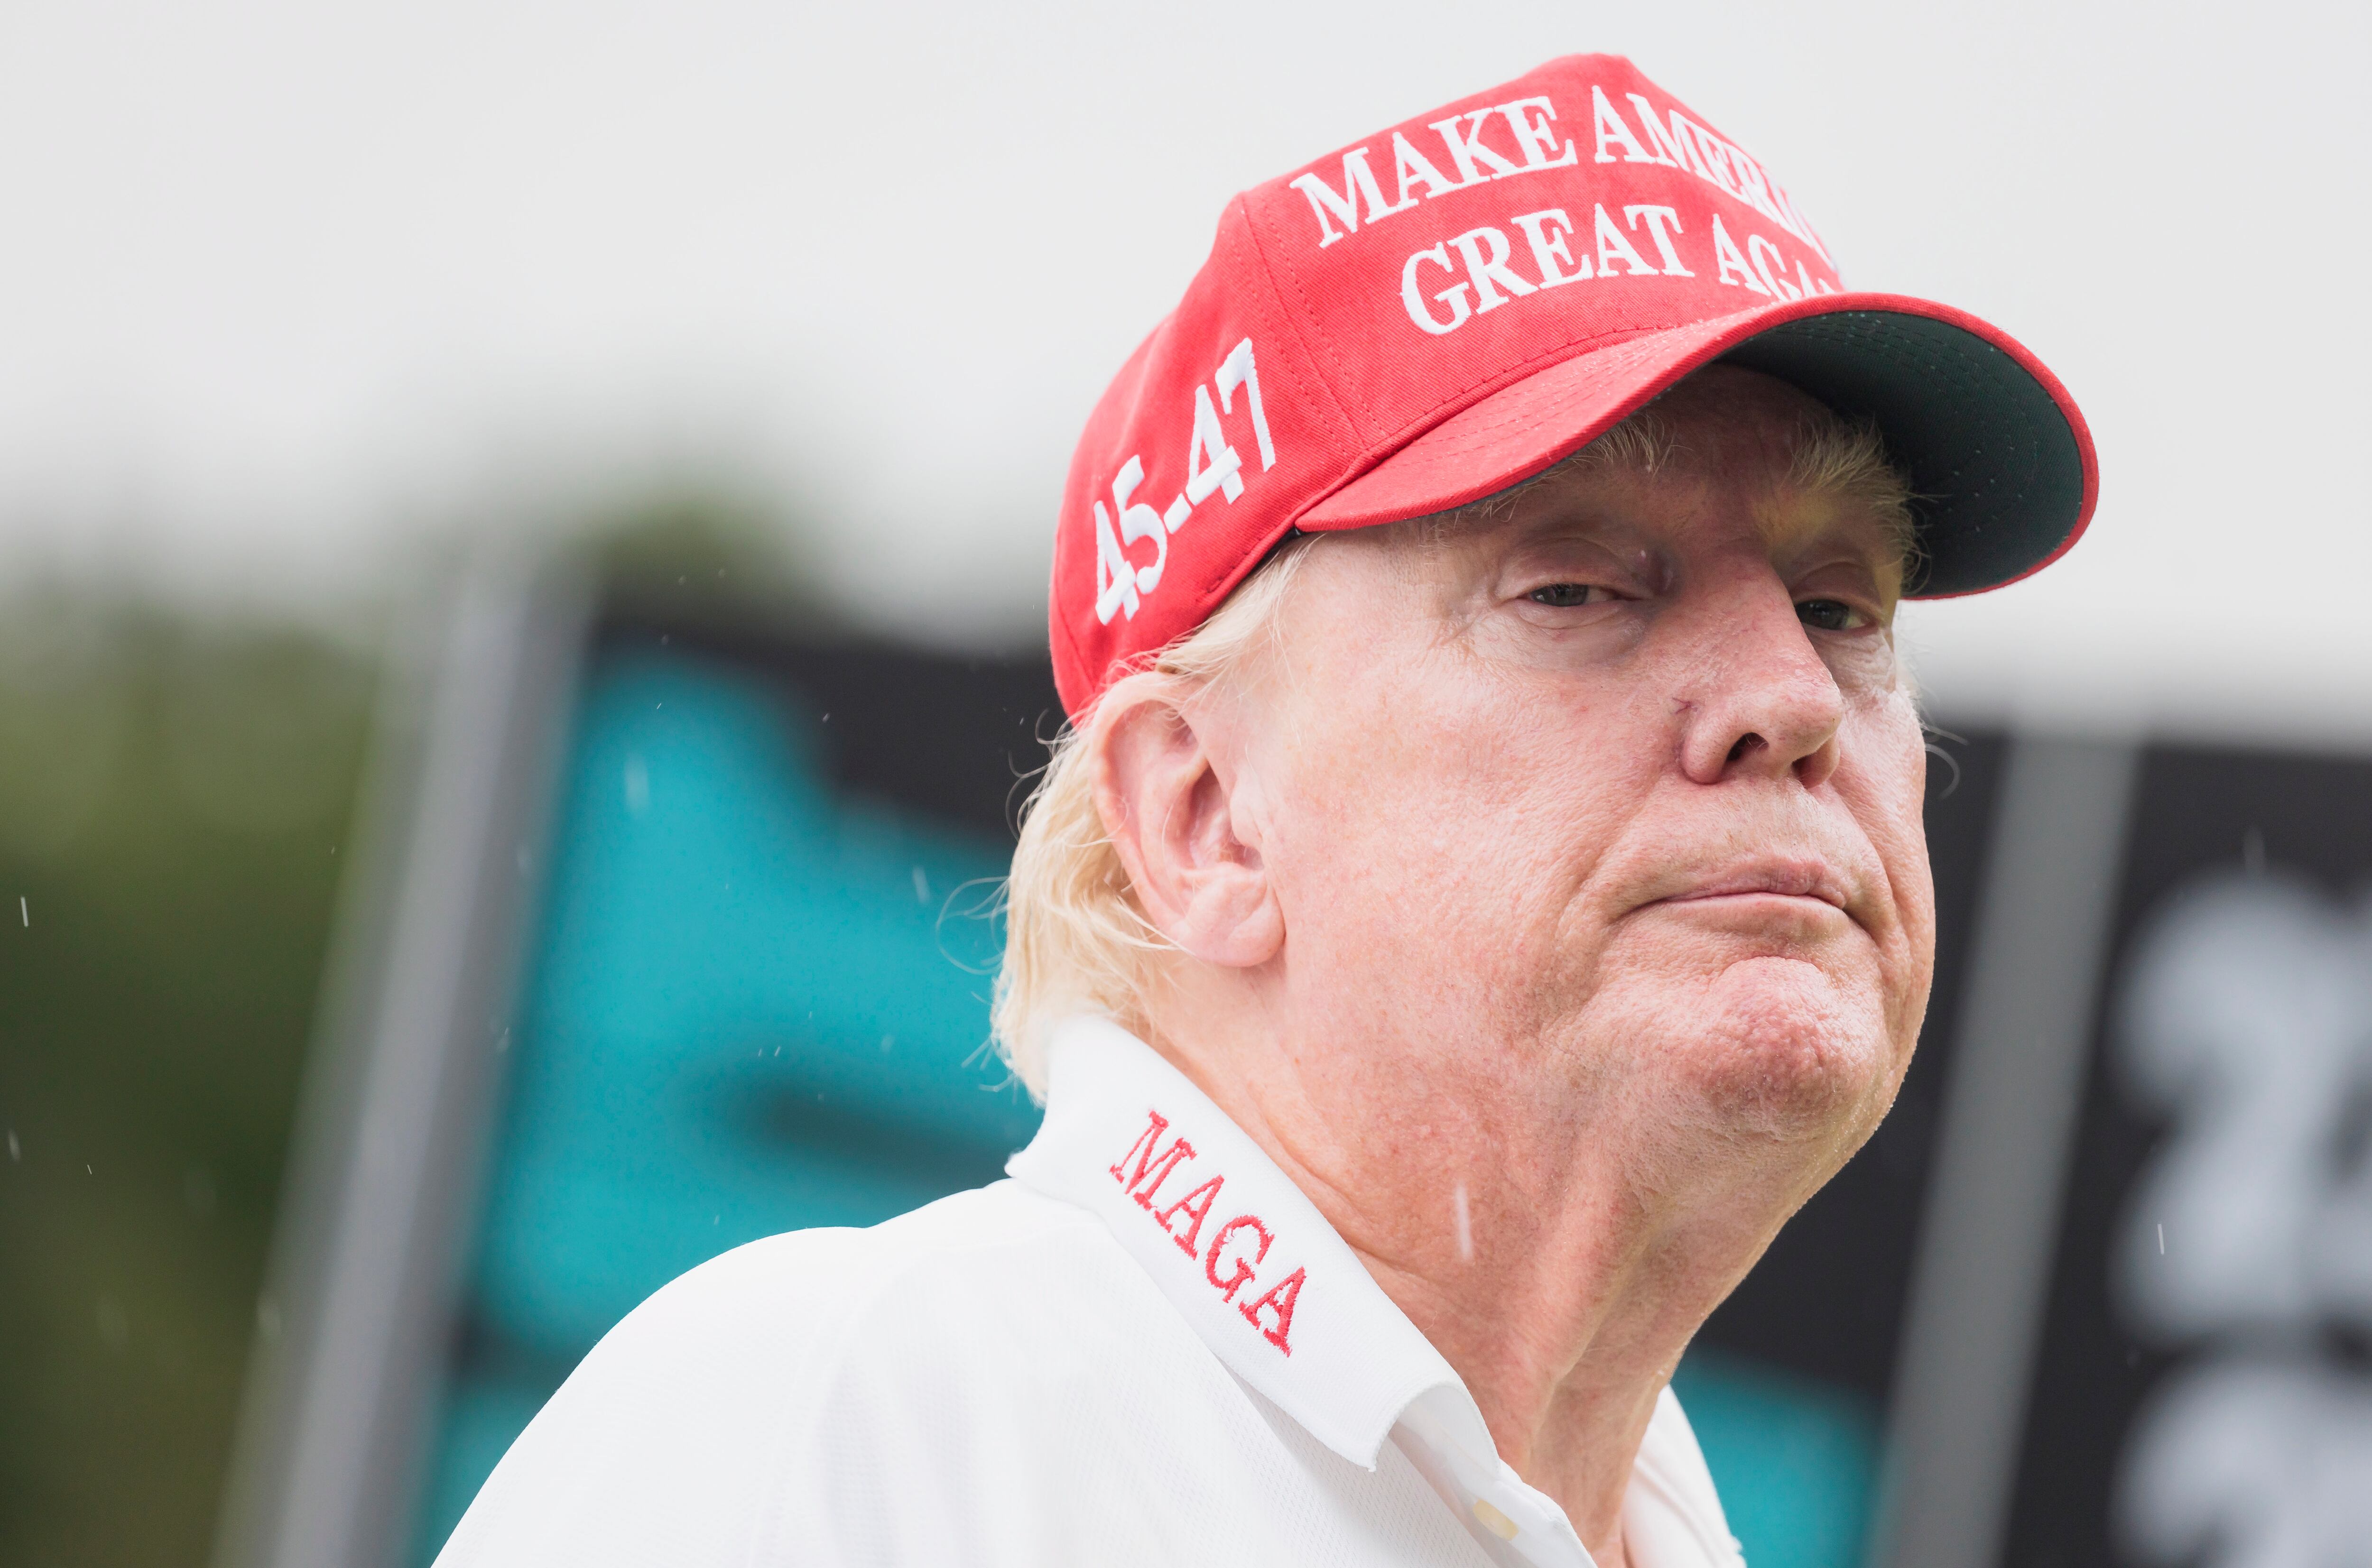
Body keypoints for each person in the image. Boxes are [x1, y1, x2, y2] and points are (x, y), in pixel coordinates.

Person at [437, 53, 2093, 1568]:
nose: (1792, 695)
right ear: (1206, 814)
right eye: (1579, 587)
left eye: (1842, 604)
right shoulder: (859, 1427)